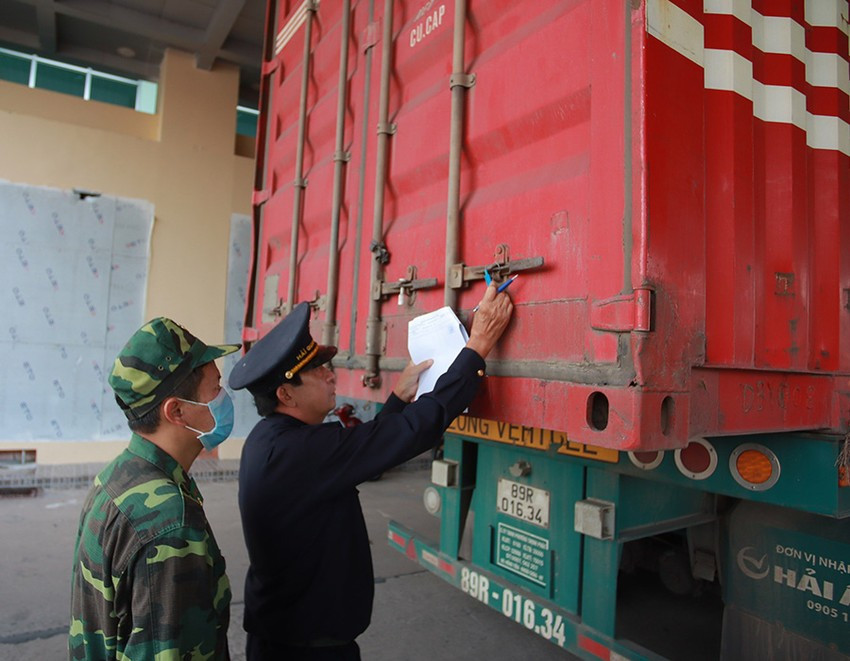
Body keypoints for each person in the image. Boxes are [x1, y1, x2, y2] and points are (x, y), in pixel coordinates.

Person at [229, 285, 513, 660]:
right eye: (319, 371)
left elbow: (360, 454)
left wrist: (397, 399)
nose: (332, 377)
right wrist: (476, 348)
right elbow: (418, 430)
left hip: (289, 636)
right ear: (286, 394)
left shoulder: (273, 441)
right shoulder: (299, 451)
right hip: (302, 649)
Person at [69, 318, 240, 660]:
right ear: (176, 411)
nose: (224, 397)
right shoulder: (170, 520)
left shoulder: (117, 476)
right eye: (215, 387)